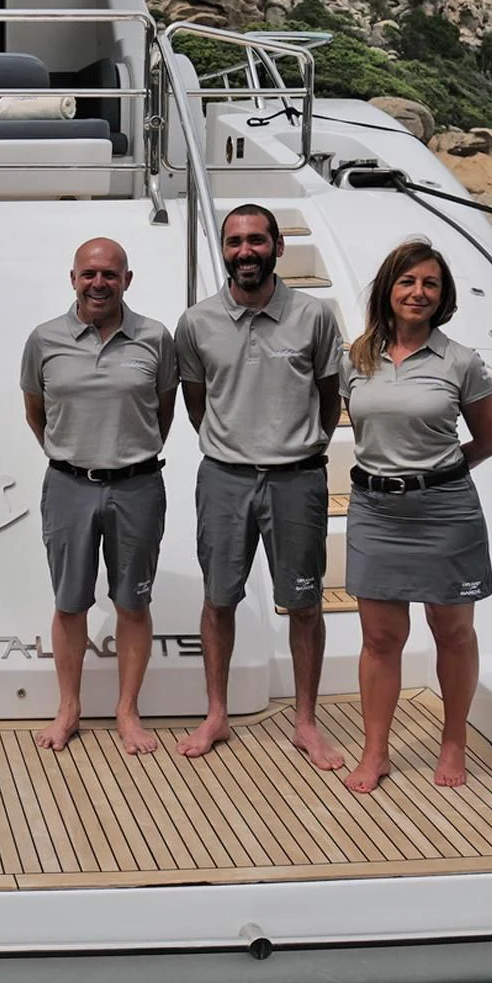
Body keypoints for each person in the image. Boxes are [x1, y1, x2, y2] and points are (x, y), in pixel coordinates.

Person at [174, 205, 347, 770]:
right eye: (234, 242)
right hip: (224, 479)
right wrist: (237, 446)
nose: (245, 252)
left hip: (297, 480)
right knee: (218, 598)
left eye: (256, 240)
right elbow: (197, 404)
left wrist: (298, 445)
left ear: (277, 246)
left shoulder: (314, 316)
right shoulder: (197, 323)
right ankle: (217, 714)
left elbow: (329, 395)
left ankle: (304, 722)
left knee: (304, 603)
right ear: (224, 250)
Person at [340, 241, 492, 794]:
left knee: (452, 632)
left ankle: (453, 741)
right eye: (408, 282)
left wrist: (434, 475)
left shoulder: (461, 361)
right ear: (389, 289)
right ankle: (376, 751)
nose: (418, 293)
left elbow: (488, 440)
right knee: (380, 638)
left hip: (444, 512)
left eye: (430, 284)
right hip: (375, 512)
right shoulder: (356, 357)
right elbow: (366, 432)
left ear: (442, 296)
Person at [21, 238, 179, 755]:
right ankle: (69, 709)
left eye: (110, 274)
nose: (98, 283)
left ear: (127, 280)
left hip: (137, 486)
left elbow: (164, 412)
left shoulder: (155, 337)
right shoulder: (45, 340)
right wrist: (72, 453)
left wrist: (124, 453)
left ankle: (127, 712)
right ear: (73, 278)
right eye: (88, 274)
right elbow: (35, 411)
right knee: (70, 604)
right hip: (68, 486)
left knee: (133, 603)